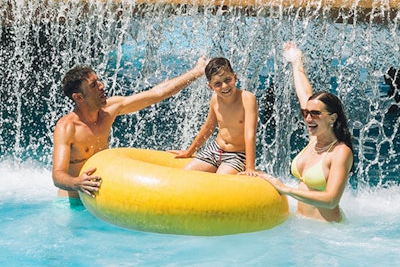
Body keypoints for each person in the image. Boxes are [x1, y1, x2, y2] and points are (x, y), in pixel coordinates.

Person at [51, 57, 208, 199]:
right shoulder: (67, 128)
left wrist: (196, 72)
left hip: (101, 200)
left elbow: (157, 93)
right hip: (73, 202)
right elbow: (58, 175)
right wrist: (77, 182)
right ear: (78, 97)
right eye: (93, 85)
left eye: (98, 81)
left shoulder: (110, 110)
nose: (101, 86)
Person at [254, 40, 354, 222]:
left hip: (329, 233)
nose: (308, 119)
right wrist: (296, 62)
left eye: (315, 114)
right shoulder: (314, 141)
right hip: (302, 227)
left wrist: (285, 189)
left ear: (332, 117)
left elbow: (331, 200)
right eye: (306, 113)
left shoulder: (340, 152)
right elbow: (304, 94)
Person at [172, 57, 258, 175]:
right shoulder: (215, 100)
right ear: (211, 87)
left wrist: (250, 168)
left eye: (228, 80)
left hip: (237, 155)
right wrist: (189, 151)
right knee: (184, 175)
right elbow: (208, 127)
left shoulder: (247, 99)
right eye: (217, 84)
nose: (224, 86)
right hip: (214, 149)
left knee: (220, 181)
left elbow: (250, 134)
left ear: (235, 77)